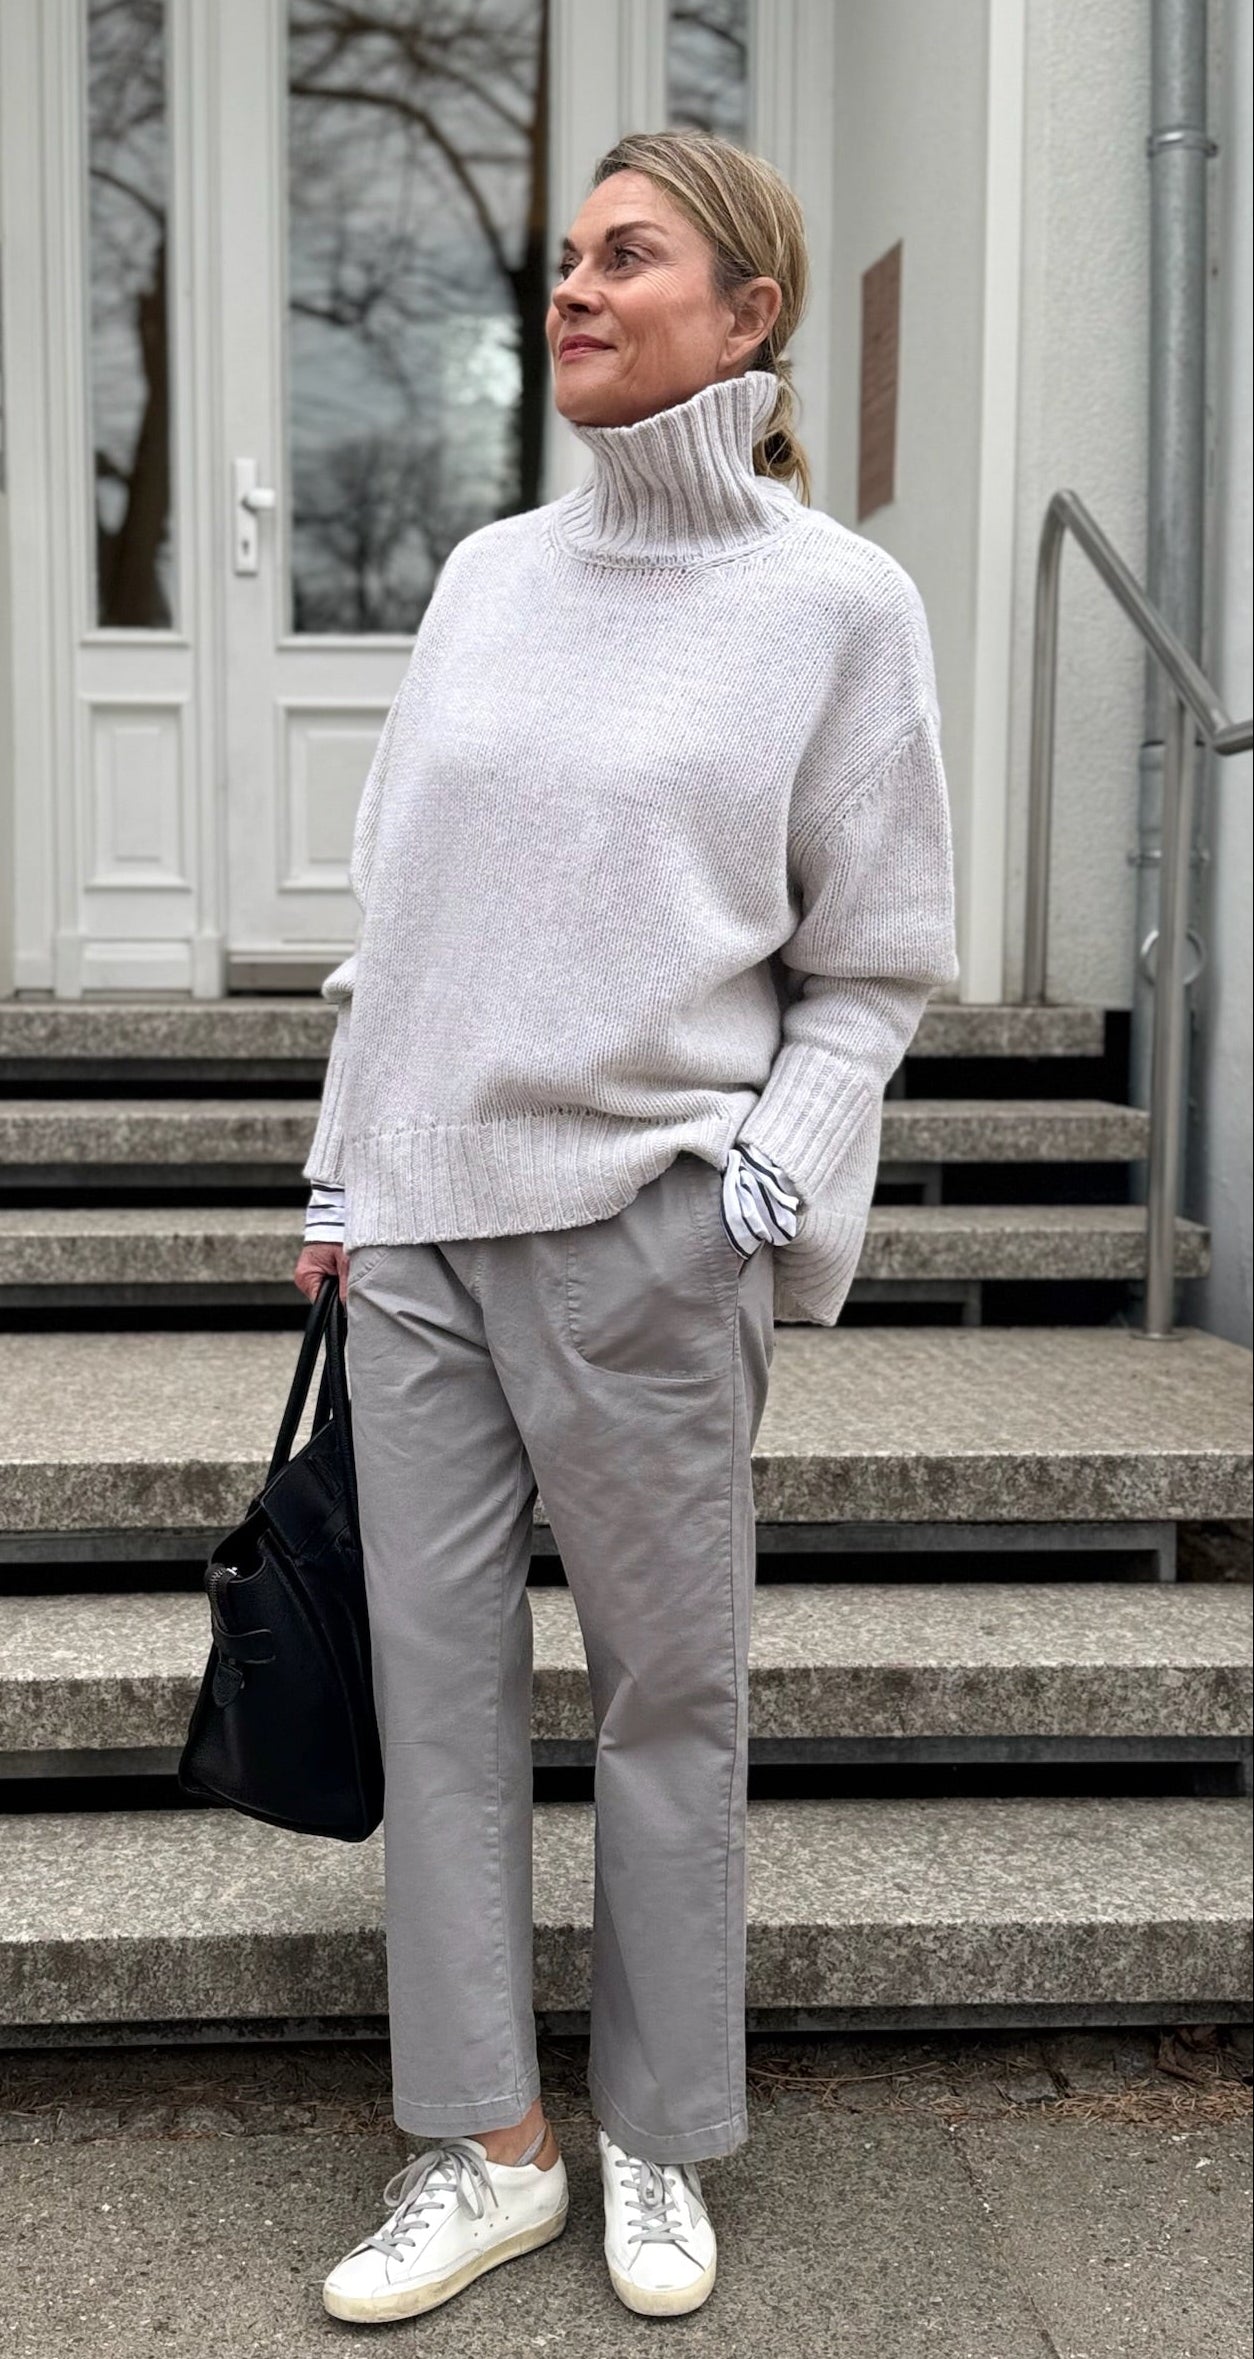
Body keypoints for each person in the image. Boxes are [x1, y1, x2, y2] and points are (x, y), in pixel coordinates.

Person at [293, 126, 957, 2328]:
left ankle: (659, 2133)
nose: (573, 287)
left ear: (748, 313)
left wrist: (760, 1182)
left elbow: (877, 961)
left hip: (649, 1227)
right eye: (567, 256)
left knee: (669, 1700)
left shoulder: (835, 607)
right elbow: (399, 914)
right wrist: (340, 1173)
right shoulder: (487, 575)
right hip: (422, 1231)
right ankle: (485, 2145)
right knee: (438, 1696)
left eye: (628, 256)